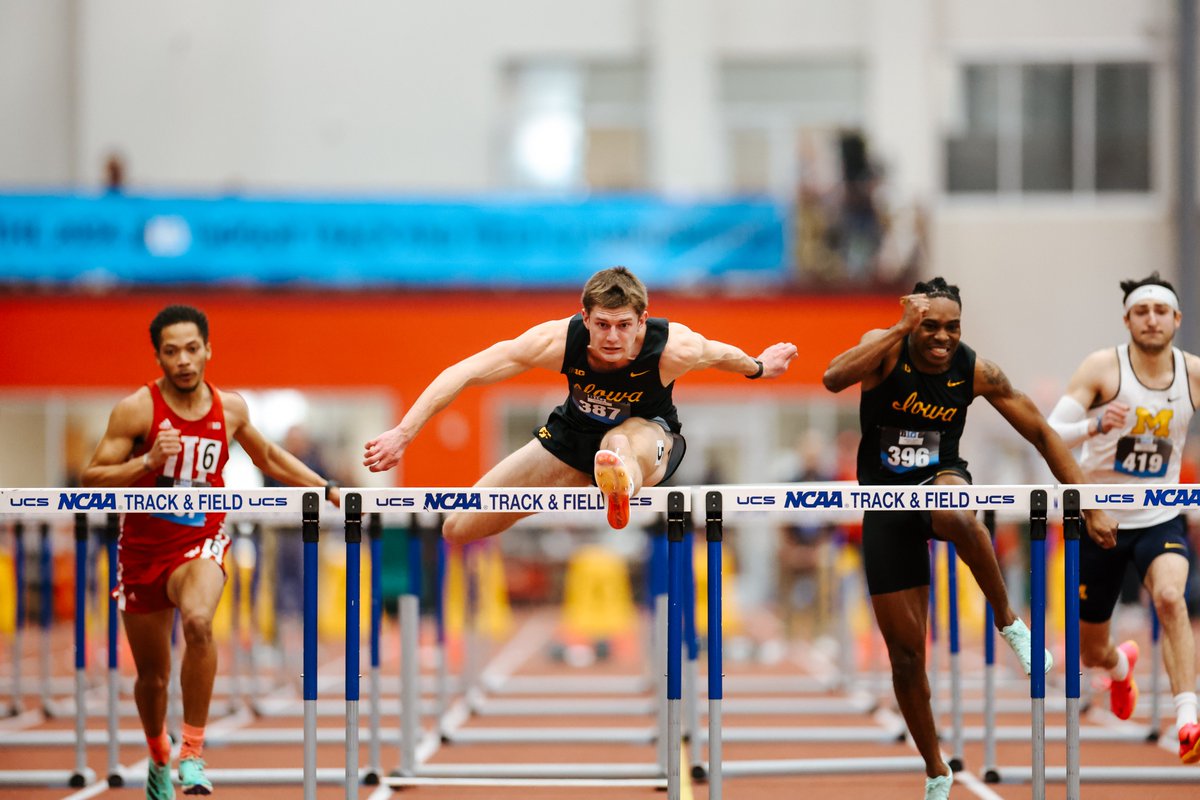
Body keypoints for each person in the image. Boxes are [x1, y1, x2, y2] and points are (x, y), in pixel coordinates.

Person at [823, 277, 1119, 800]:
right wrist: (898, 328)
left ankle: (1009, 623)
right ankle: (937, 769)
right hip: (885, 505)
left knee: (959, 512)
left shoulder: (975, 370)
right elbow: (832, 377)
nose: (942, 337)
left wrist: (1090, 503)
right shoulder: (887, 350)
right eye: (931, 326)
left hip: (942, 478)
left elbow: (1043, 432)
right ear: (915, 322)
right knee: (907, 658)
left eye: (952, 327)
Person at [81, 305, 340, 799]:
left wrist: (325, 486)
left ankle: (193, 752)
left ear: (208, 350)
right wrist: (147, 461)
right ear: (158, 357)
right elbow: (92, 477)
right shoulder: (136, 409)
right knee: (153, 678)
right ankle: (158, 749)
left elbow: (269, 456)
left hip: (200, 541)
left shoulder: (231, 408)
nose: (183, 360)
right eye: (172, 351)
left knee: (199, 622)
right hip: (141, 550)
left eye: (192, 349)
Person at [363, 266, 798, 537]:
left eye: (624, 326)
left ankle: (618, 484)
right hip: (570, 437)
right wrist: (404, 433)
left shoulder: (674, 347)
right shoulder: (556, 340)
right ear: (584, 317)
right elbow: (465, 372)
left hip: (648, 439)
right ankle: (569, 484)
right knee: (458, 527)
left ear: (642, 321)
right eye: (603, 325)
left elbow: (725, 355)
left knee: (618, 442)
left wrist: (759, 367)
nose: (612, 338)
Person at [1047, 272, 1199, 763]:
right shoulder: (1102, 368)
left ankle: (1188, 719)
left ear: (1176, 320)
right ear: (1127, 320)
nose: (1151, 320)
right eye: (1141, 312)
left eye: (1160, 312)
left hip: (1161, 516)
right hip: (1098, 520)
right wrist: (1094, 422)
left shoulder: (1192, 373)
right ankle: (1119, 667)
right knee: (1092, 652)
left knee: (1172, 597)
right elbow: (1049, 432)